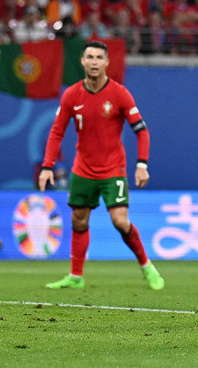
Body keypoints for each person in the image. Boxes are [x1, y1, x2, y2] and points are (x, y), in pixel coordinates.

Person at [38, 41, 164, 291]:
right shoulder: (72, 94)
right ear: (82, 62)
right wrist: (47, 165)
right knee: (79, 220)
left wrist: (142, 164)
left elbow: (142, 131)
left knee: (120, 221)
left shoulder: (119, 94)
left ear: (107, 63)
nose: (94, 62)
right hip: (83, 169)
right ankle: (75, 276)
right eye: (90, 57)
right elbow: (56, 132)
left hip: (112, 169)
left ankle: (146, 265)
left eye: (99, 57)